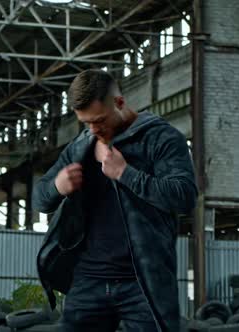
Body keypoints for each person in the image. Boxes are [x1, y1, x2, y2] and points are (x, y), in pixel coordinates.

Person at [32, 69, 198, 332]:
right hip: (88, 282)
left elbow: (185, 197)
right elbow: (39, 200)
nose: (94, 129)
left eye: (99, 120)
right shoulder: (81, 146)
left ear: (119, 103)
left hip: (143, 283)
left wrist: (125, 174)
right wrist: (57, 186)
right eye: (86, 123)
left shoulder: (162, 138)